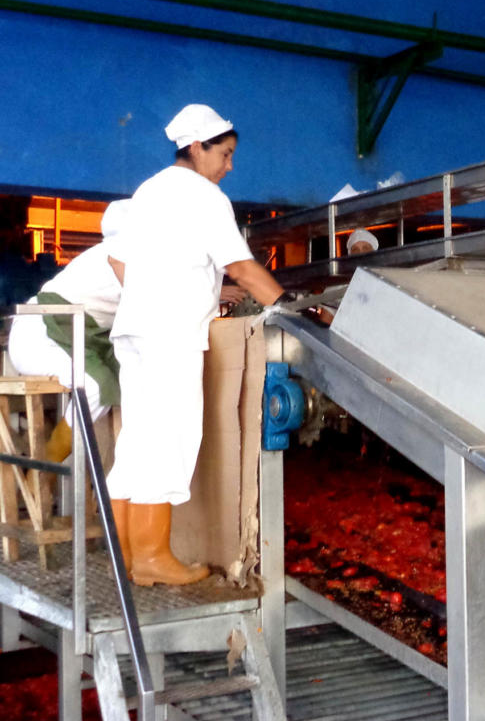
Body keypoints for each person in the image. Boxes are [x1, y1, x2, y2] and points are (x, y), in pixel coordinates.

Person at [105, 103, 287, 586]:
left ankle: (127, 557)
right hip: (171, 335)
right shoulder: (204, 197)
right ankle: (151, 556)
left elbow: (117, 261)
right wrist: (290, 310)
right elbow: (242, 268)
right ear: (196, 147)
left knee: (138, 439)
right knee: (170, 439)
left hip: (136, 330)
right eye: (224, 155)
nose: (229, 166)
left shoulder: (148, 190)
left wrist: (153, 292)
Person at [8, 200, 131, 464]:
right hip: (40, 337)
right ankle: (45, 473)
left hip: (73, 339)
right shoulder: (119, 256)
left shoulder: (135, 257)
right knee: (96, 386)